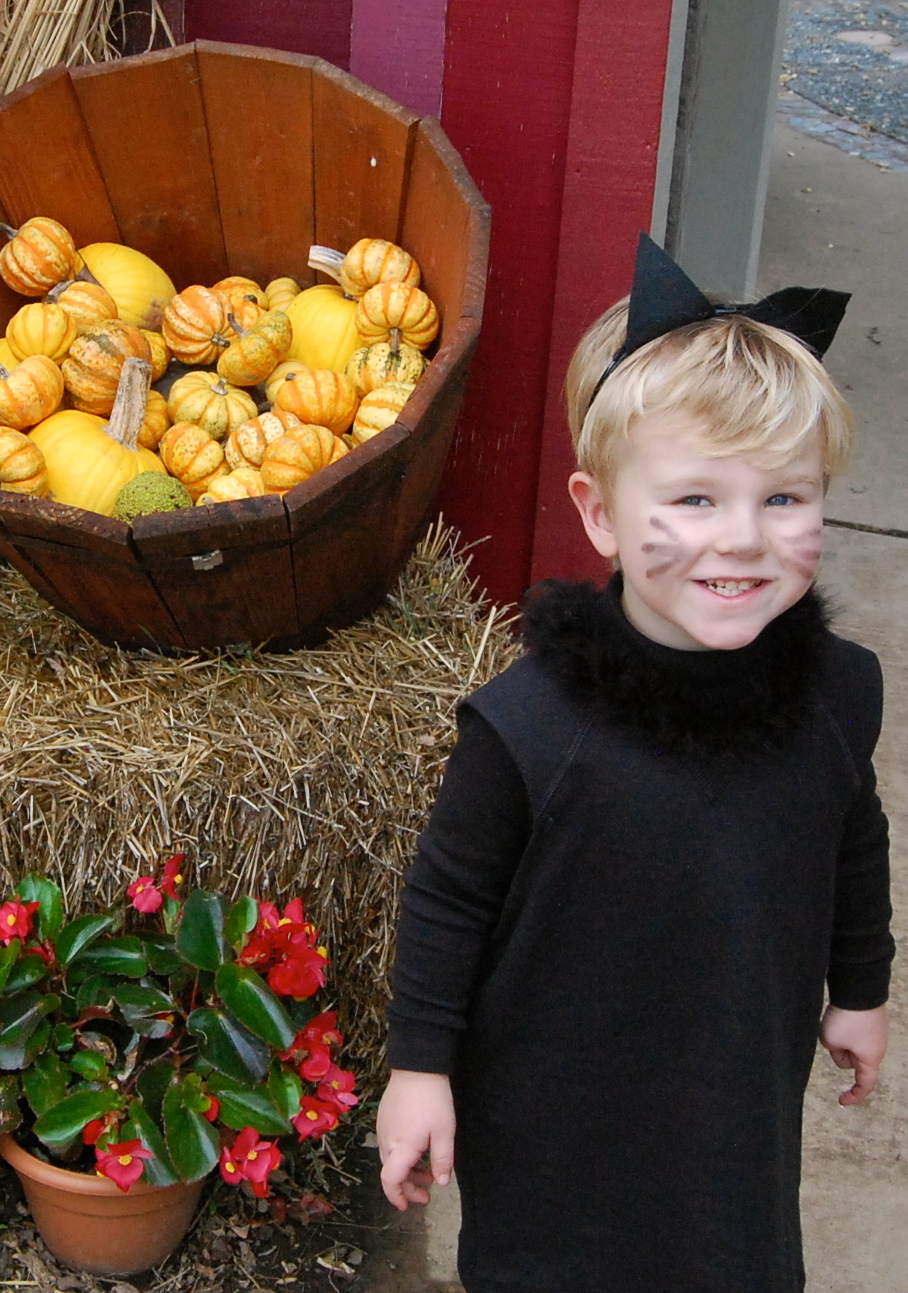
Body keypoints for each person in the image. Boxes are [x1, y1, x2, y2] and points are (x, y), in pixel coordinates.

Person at [376, 234, 894, 1293]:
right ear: (599, 514)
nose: (740, 539)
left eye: (783, 499)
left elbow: (853, 835)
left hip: (735, 1092)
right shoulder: (530, 725)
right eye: (693, 501)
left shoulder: (836, 692)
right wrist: (419, 1070)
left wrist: (859, 987)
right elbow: (447, 900)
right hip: (554, 1103)